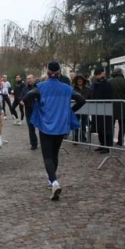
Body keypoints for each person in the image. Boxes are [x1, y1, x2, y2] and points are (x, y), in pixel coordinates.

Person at [24, 62, 86, 201]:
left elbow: (27, 97)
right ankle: (52, 179)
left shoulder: (40, 87)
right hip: (61, 126)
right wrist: (70, 112)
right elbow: (81, 100)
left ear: (47, 72)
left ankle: (54, 182)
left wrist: (36, 110)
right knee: (55, 153)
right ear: (59, 73)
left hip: (46, 125)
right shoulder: (66, 88)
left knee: (47, 156)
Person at [91, 67, 114, 153]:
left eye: (99, 74)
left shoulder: (106, 84)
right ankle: (102, 144)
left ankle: (107, 146)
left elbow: (108, 96)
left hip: (105, 109)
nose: (98, 76)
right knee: (100, 128)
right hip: (98, 109)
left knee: (105, 128)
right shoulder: (96, 83)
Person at [109, 68, 125, 146]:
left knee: (111, 125)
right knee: (122, 125)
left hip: (111, 106)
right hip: (123, 105)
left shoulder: (109, 82)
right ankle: (120, 140)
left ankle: (110, 140)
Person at [72, 74, 91, 143]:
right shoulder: (72, 89)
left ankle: (83, 138)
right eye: (78, 79)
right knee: (75, 124)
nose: (79, 81)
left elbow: (90, 98)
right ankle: (75, 138)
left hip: (85, 108)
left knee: (83, 124)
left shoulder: (88, 89)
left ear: (83, 80)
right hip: (76, 108)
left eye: (81, 79)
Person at [20, 74, 38, 150]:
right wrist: (21, 101)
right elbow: (21, 97)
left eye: (30, 78)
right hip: (29, 110)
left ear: (34, 79)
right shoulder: (24, 89)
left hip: (38, 110)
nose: (29, 80)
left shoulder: (38, 87)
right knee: (31, 128)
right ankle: (34, 143)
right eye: (27, 79)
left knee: (42, 128)